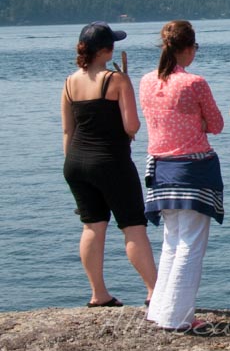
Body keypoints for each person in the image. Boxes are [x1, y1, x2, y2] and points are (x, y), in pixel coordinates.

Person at [61, 22, 157, 308]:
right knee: (133, 227)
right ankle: (155, 291)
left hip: (76, 163)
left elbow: (68, 131)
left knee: (92, 227)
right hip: (111, 162)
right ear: (105, 50)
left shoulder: (69, 82)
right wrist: (127, 86)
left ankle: (98, 294)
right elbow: (131, 126)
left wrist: (72, 163)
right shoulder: (116, 80)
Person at [139, 20, 225, 332]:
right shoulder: (194, 83)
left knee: (171, 242)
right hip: (192, 171)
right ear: (187, 48)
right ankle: (178, 317)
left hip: (161, 170)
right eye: (195, 48)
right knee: (190, 245)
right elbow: (216, 124)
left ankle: (161, 310)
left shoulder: (146, 81)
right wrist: (197, 123)